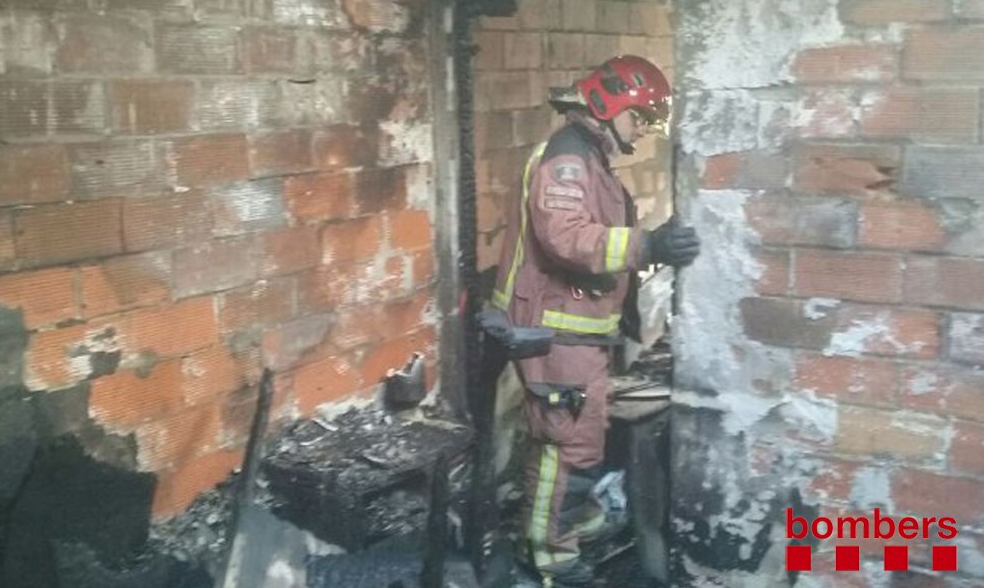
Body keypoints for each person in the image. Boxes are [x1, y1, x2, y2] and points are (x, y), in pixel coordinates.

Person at [490, 55, 701, 588]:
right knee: (565, 445)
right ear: (611, 104)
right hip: (553, 329)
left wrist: (647, 246)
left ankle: (567, 518)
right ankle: (548, 556)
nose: (644, 129)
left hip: (576, 328)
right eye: (641, 116)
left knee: (577, 437)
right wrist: (647, 244)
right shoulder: (567, 158)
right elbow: (566, 237)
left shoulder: (590, 157)